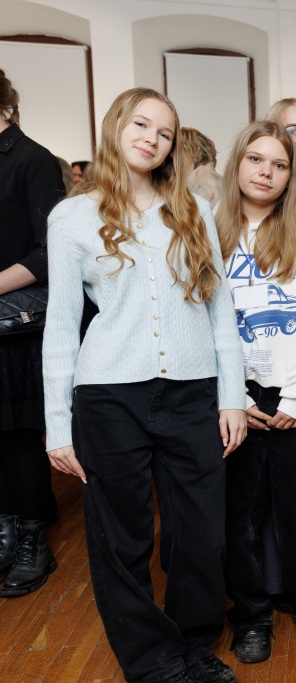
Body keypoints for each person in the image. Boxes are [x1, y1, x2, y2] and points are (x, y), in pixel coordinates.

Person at [43, 87, 247, 683]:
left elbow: (220, 311)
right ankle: (153, 662)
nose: (151, 138)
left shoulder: (194, 209)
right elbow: (61, 325)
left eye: (164, 132)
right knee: (120, 540)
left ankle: (195, 643)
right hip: (109, 397)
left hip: (191, 391)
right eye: (140, 124)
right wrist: (58, 425)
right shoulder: (71, 218)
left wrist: (231, 396)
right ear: (115, 127)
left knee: (201, 533)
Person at [217, 120, 296, 662]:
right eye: (256, 159)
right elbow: (203, 320)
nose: (266, 172)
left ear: (292, 175)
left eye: (279, 164)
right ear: (237, 164)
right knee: (240, 516)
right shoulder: (210, 228)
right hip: (235, 398)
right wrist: (232, 396)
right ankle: (250, 615)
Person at [0, 69, 64, 598]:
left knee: (20, 434)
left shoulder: (32, 160)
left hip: (15, 326)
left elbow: (49, 252)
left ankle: (31, 537)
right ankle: (5, 529)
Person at [178, 127, 222, 205]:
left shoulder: (205, 181)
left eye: (177, 152)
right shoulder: (201, 180)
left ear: (194, 152)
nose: (172, 158)